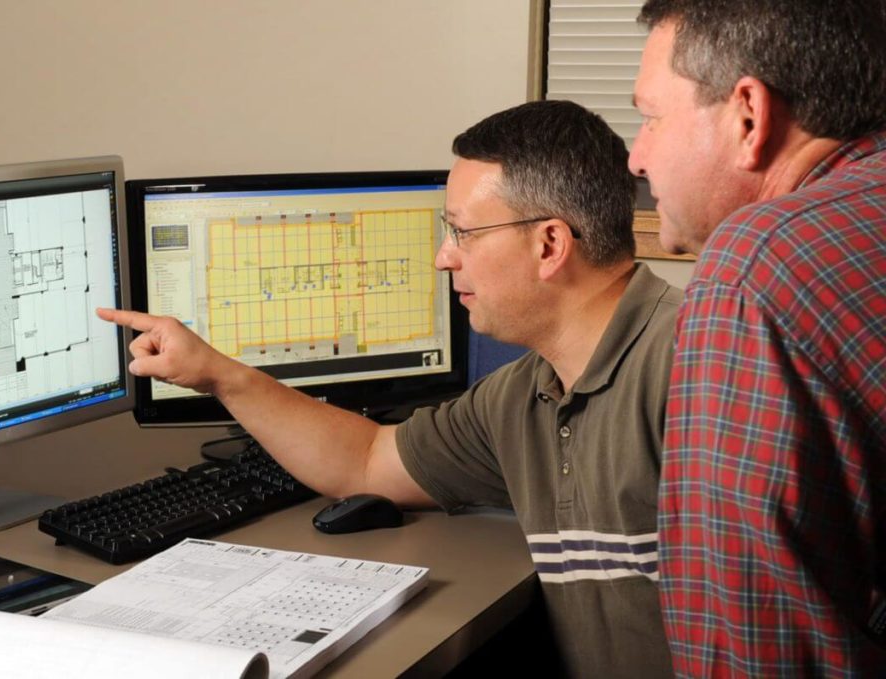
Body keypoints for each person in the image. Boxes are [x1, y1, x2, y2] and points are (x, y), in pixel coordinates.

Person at [101, 100, 681, 678]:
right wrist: (218, 374)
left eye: (463, 232)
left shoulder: (692, 371)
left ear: (549, 245)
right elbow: (368, 461)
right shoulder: (524, 394)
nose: (442, 258)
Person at [629, 0, 886, 675]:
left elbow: (754, 648)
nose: (636, 156)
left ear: (749, 114)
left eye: (650, 118)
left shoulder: (758, 268)